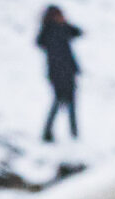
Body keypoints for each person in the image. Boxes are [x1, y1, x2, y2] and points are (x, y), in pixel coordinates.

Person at [37, 6, 82, 142]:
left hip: (66, 72)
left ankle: (71, 133)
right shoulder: (51, 32)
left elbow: (77, 32)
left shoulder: (58, 29)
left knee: (68, 102)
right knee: (60, 101)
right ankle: (52, 132)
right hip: (59, 73)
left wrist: (64, 24)